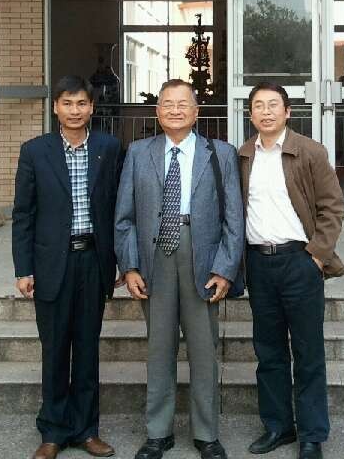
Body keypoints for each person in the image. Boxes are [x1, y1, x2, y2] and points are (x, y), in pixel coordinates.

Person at [115, 79, 244, 459]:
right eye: (167, 104)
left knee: (204, 350)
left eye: (182, 104)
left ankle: (207, 434)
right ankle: (158, 432)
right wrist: (130, 266)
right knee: (159, 348)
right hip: (154, 256)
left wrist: (225, 268)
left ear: (196, 111)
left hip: (201, 254)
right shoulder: (138, 152)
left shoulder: (220, 153)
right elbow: (124, 217)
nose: (175, 110)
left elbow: (233, 218)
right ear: (157, 112)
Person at [12, 75, 124, 459]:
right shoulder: (35, 151)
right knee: (56, 349)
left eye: (81, 104)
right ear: (55, 108)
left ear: (91, 108)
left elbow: (118, 209)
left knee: (88, 349)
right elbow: (23, 214)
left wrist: (121, 261)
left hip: (93, 261)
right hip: (51, 264)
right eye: (67, 103)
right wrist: (24, 268)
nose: (75, 111)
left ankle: (87, 430)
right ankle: (53, 431)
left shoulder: (109, 148)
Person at [237, 83, 344, 459]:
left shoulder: (309, 151)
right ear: (250, 114)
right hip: (259, 263)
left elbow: (332, 207)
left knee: (307, 350)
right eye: (258, 106)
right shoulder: (243, 155)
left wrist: (316, 255)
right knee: (268, 351)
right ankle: (278, 426)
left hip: (300, 261)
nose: (266, 112)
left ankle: (312, 434)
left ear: (287, 112)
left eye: (273, 105)